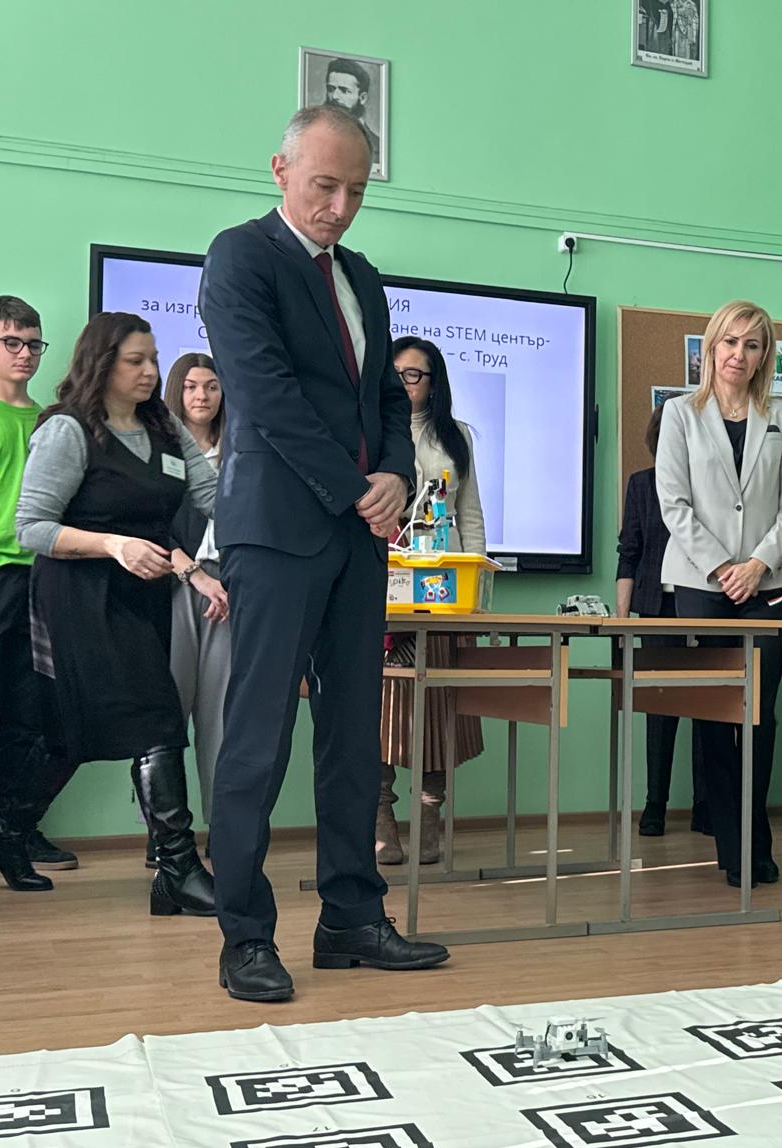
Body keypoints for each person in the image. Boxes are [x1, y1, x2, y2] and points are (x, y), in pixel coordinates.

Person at [200, 105, 447, 1003]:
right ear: (280, 170)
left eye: (356, 191)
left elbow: (386, 396)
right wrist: (354, 488)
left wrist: (395, 474)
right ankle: (245, 934)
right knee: (257, 737)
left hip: (356, 536)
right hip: (276, 530)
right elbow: (265, 396)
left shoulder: (364, 278)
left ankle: (351, 916)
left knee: (354, 735)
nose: (340, 207)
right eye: (324, 185)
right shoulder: (241, 256)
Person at [14, 312, 218, 916]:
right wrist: (114, 545)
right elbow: (31, 528)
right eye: (136, 361)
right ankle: (178, 866)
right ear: (102, 364)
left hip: (143, 598)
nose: (151, 371)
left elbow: (214, 497)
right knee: (156, 718)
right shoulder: (68, 430)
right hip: (79, 596)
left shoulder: (164, 427)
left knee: (71, 732)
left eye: (153, 358)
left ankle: (7, 830)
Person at [655, 300, 782, 888]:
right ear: (710, 347)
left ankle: (754, 837)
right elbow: (673, 503)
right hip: (702, 582)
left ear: (764, 355)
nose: (738, 355)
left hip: (768, 584)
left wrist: (759, 563)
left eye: (751, 345)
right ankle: (735, 846)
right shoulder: (680, 414)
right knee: (716, 715)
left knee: (759, 714)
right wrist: (725, 567)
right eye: (729, 342)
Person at [374, 337, 487, 865]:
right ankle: (381, 815)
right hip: (387, 584)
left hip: (445, 588)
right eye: (395, 373)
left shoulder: (455, 436)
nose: (404, 384)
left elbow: (470, 515)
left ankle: (430, 814)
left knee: (439, 706)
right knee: (381, 707)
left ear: (433, 383)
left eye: (414, 375)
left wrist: (477, 593)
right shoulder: (373, 428)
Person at [0, 295, 76, 889]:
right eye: (11, 342)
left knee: (29, 719)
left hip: (39, 581)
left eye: (33, 344)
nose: (25, 354)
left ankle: (11, 836)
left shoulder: (49, 422)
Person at [617, 404, 709, 839]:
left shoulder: (710, 483)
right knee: (660, 708)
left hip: (707, 605)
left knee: (710, 708)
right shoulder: (641, 484)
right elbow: (628, 552)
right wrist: (622, 620)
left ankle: (706, 805)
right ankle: (656, 804)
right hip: (656, 608)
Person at [156, 353, 230, 866]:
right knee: (166, 712)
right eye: (190, 386)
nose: (201, 396)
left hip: (229, 590)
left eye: (211, 386)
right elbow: (146, 523)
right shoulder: (157, 448)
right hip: (172, 584)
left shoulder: (242, 449)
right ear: (176, 392)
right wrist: (188, 571)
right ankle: (165, 833)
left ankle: (224, 830)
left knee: (221, 718)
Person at [323, 58, 380, 163]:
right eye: (331, 89)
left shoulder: (378, 148)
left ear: (362, 98)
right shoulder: (314, 137)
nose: (335, 96)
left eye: (345, 91)